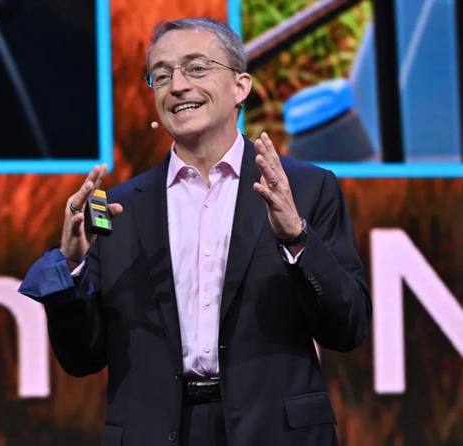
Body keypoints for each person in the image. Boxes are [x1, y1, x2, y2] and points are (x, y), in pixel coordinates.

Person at [19, 17, 371, 446]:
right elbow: (81, 358)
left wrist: (296, 238)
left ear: (240, 86)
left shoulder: (306, 188)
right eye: (162, 76)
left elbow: (347, 328)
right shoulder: (120, 209)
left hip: (273, 432)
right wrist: (73, 266)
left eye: (197, 68)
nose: (178, 86)